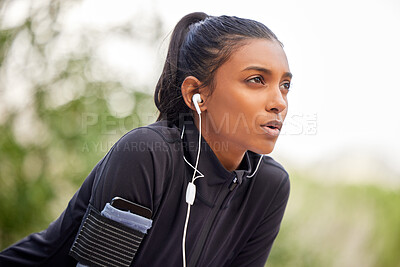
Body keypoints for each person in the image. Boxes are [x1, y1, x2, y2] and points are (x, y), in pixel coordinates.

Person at [0, 12, 292, 267]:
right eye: (256, 80)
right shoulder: (148, 155)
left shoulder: (269, 185)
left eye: (285, 85)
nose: (279, 101)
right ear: (196, 95)